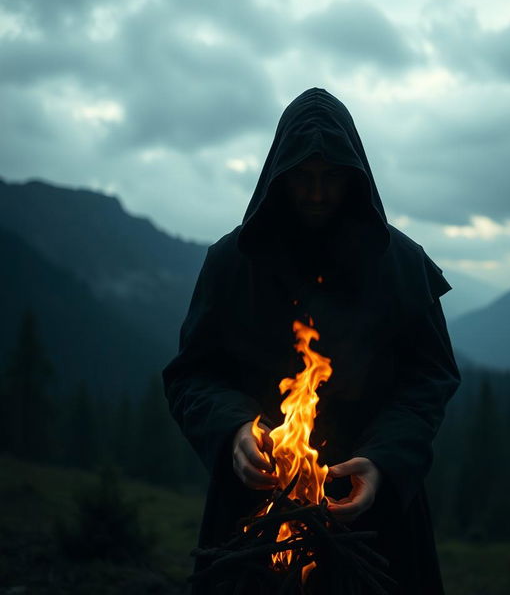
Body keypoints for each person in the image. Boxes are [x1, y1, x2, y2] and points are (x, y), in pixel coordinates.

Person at [162, 87, 462, 594]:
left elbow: (429, 378)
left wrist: (383, 460)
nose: (317, 193)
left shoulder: (403, 267)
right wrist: (234, 432)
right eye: (303, 176)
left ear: (355, 176)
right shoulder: (233, 263)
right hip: (254, 522)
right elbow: (192, 374)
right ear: (278, 175)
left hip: (372, 526)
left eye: (330, 178)